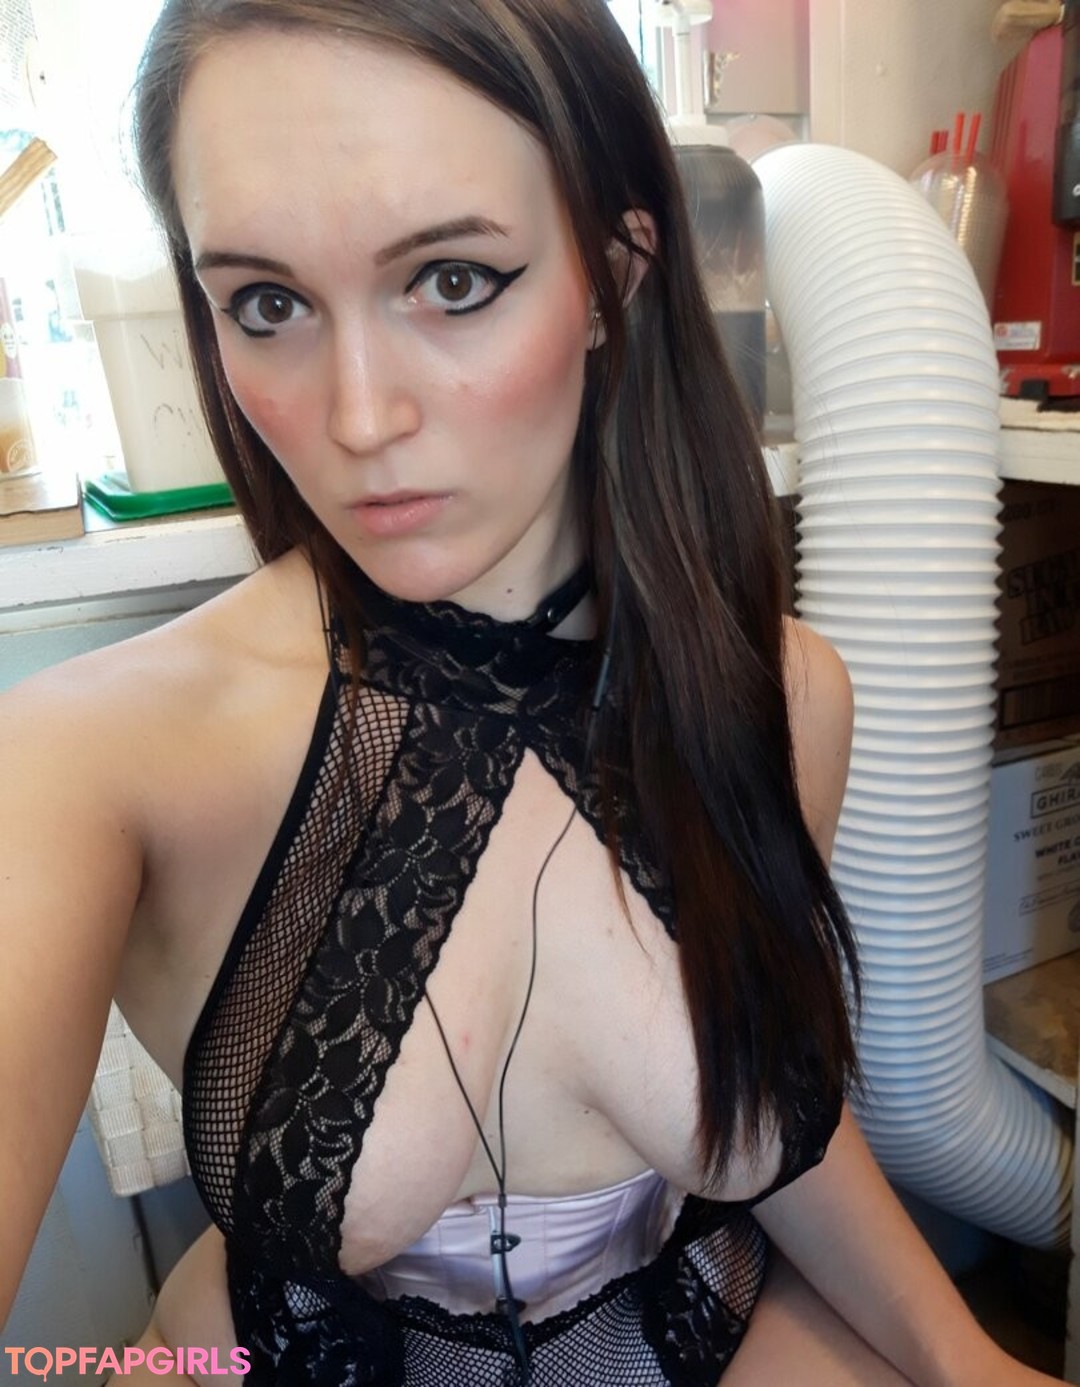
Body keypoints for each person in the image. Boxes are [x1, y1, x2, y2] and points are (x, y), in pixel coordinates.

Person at [0, 2, 1065, 1383]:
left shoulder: (783, 697)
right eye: (268, 304)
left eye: (451, 280)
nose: (361, 416)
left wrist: (966, 1358)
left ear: (614, 276)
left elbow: (767, 1100)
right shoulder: (91, 762)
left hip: (698, 1329)